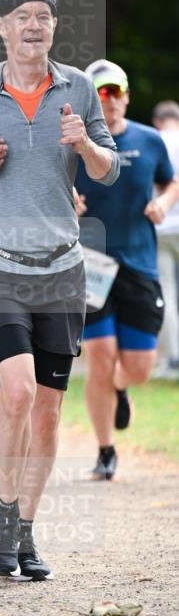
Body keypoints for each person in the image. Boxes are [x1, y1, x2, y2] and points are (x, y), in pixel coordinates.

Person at [0, 0, 120, 581]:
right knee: (14, 391)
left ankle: (22, 530)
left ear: (54, 27)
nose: (33, 25)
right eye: (22, 17)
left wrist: (85, 147)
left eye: (43, 16)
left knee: (47, 407)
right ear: (1, 27)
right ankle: (3, 508)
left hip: (62, 268)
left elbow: (107, 168)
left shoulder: (80, 90)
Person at [75, 63, 178, 479]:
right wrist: (69, 201)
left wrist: (163, 204)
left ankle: (121, 388)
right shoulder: (73, 145)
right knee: (99, 359)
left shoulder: (149, 140)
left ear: (128, 96)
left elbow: (171, 182)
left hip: (139, 264)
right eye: (101, 93)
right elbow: (49, 189)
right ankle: (105, 451)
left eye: (117, 91)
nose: (111, 100)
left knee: (139, 366)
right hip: (91, 265)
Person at [151, 100, 179, 376]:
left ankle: (173, 358)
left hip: (161, 227)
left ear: (158, 120)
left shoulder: (153, 140)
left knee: (167, 292)